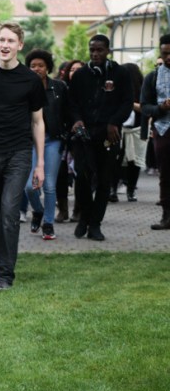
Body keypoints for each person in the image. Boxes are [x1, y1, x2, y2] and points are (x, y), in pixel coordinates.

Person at [0, 22, 46, 291]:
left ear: (19, 45)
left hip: (19, 152)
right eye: (1, 40)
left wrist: (40, 164)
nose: (5, 45)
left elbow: (38, 122)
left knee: (9, 212)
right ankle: (0, 254)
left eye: (11, 41)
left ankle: (4, 274)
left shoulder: (30, 80)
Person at [68, 34, 133, 240]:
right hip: (84, 135)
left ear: (108, 51)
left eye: (99, 50)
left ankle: (95, 224)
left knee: (104, 181)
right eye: (92, 50)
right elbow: (72, 103)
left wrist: (114, 122)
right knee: (83, 178)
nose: (95, 54)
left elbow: (127, 102)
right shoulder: (80, 75)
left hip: (108, 135)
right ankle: (84, 218)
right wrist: (77, 120)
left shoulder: (120, 73)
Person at [23, 49, 68, 240]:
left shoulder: (59, 87)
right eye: (32, 66)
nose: (36, 69)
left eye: (40, 65)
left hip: (53, 140)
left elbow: (68, 110)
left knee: (49, 184)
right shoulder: (23, 87)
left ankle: (48, 223)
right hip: (30, 141)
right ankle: (38, 211)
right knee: (29, 187)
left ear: (47, 67)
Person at [140, 33, 170, 229]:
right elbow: (144, 106)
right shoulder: (152, 77)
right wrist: (161, 108)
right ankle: (167, 216)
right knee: (166, 174)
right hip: (163, 129)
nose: (168, 57)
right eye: (165, 53)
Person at [110, 63, 146, 203]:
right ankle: (115, 190)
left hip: (136, 129)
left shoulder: (142, 91)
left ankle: (130, 190)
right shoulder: (116, 88)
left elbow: (146, 108)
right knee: (116, 159)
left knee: (134, 161)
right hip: (119, 128)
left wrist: (128, 103)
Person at [55, 59, 85, 223]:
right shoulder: (60, 88)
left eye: (79, 69)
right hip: (62, 135)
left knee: (80, 173)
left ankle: (78, 210)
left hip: (81, 137)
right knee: (60, 174)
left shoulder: (89, 89)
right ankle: (63, 209)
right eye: (72, 69)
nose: (75, 72)